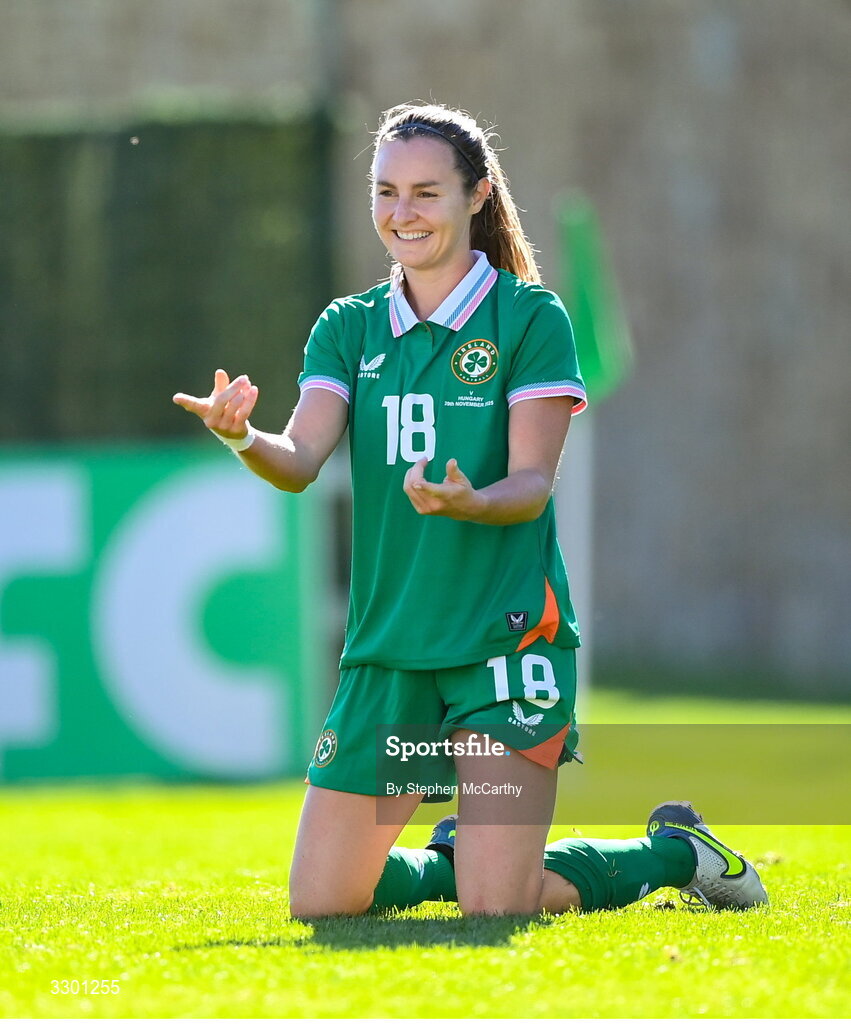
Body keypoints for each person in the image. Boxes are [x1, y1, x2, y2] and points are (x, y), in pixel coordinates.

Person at [174, 102, 767, 917]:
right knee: (323, 901)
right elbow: (300, 461)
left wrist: (471, 502)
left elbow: (530, 485)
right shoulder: (347, 327)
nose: (401, 213)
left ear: (476, 195)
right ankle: (463, 853)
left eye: (425, 192)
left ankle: (676, 853)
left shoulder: (528, 316)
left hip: (503, 638)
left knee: (500, 906)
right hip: (389, 646)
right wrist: (243, 437)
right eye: (386, 192)